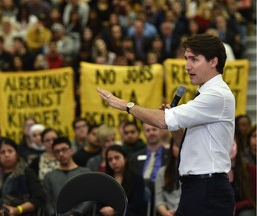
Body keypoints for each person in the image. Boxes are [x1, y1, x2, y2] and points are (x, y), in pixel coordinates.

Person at [97, 33, 235, 215]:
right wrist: (175, 127)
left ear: (213, 61)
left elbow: (162, 121)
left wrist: (126, 105)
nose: (187, 66)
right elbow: (186, 146)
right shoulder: (206, 94)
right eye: (186, 59)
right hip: (197, 188)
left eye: (194, 59)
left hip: (208, 190)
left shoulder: (216, 94)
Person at [0, 137, 45, 216]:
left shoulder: (26, 172)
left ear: (16, 153)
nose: (7, 155)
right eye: (2, 152)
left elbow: (38, 198)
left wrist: (17, 210)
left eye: (10, 151)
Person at [43, 137, 92, 216]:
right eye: (57, 151)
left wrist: (77, 213)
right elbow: (48, 202)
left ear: (71, 150)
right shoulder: (49, 176)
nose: (61, 154)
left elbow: (89, 199)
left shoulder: (85, 172)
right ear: (54, 155)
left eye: (64, 150)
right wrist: (53, 214)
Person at [101, 144, 147, 216]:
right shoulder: (105, 179)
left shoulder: (136, 178)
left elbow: (137, 206)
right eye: (110, 160)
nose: (114, 162)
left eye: (117, 158)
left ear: (125, 158)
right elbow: (100, 203)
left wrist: (115, 212)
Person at [155, 138, 181, 216]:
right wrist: (166, 213)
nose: (181, 148)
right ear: (171, 148)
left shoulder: (195, 172)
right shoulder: (162, 172)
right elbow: (159, 201)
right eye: (177, 145)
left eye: (183, 145)